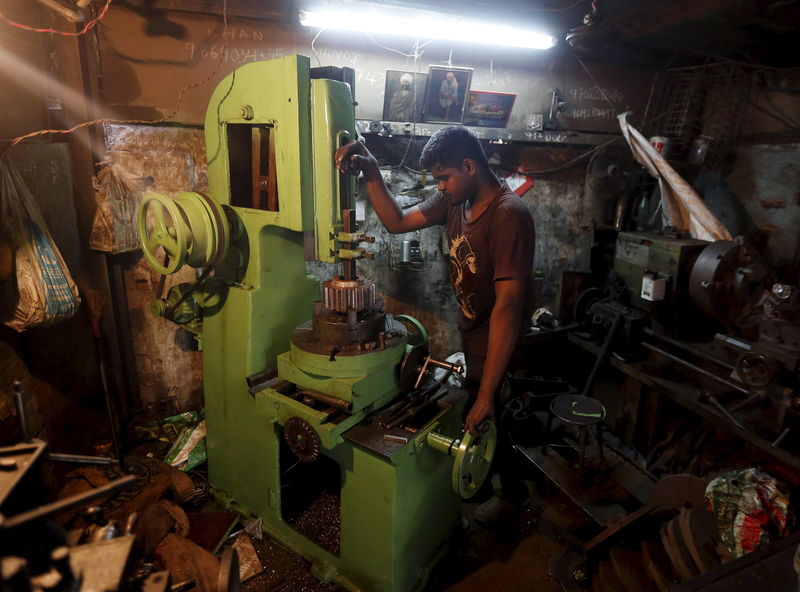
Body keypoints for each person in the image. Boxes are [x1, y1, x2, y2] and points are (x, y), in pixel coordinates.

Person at [334, 126, 535, 526]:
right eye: (437, 180)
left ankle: (514, 498)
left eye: (445, 177)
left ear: (469, 165)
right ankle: (488, 483)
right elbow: (396, 221)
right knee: (481, 413)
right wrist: (372, 171)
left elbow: (508, 308)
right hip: (474, 330)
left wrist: (487, 393)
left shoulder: (508, 215)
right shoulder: (454, 202)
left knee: (491, 416)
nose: (441, 186)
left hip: (500, 337)